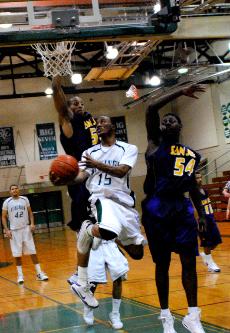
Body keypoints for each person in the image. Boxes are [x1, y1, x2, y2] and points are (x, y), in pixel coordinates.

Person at [61, 115, 146, 309]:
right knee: (107, 230)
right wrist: (65, 178)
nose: (99, 125)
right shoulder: (89, 152)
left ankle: (93, 231)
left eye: (102, 122)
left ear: (112, 126)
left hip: (125, 204)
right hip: (101, 198)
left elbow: (122, 171)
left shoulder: (128, 148)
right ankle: (87, 234)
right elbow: (81, 176)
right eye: (96, 123)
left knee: (137, 253)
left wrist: (97, 164)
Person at [141, 85, 207, 333]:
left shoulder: (192, 155)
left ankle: (192, 316)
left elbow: (192, 186)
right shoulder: (154, 144)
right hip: (157, 206)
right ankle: (166, 315)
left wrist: (201, 214)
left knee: (189, 261)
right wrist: (180, 92)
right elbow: (150, 108)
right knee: (163, 264)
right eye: (164, 120)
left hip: (182, 208)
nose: (167, 122)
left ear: (180, 127)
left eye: (172, 120)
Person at [52, 76, 98, 284]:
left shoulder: (90, 119)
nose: (79, 105)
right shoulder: (69, 122)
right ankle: (81, 273)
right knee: (86, 227)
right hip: (81, 171)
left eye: (81, 102)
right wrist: (56, 87)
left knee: (99, 228)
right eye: (74, 103)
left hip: (97, 168)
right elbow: (62, 108)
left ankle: (87, 271)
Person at [2, 184, 48, 284]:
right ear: (10, 191)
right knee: (17, 254)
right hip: (14, 231)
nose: (14, 190)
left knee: (33, 252)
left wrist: (32, 223)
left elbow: (30, 213)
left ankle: (39, 273)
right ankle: (20, 275)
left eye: (16, 188)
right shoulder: (7, 202)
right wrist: (6, 230)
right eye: (12, 189)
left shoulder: (24, 199)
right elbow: (3, 217)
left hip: (26, 229)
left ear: (18, 190)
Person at [81, 238, 128, 329]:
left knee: (118, 278)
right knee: (93, 281)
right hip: (94, 246)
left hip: (110, 244)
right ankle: (88, 306)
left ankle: (115, 314)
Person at [195, 172, 222, 272]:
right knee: (206, 242)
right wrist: (198, 221)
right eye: (197, 178)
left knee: (216, 240)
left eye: (200, 177)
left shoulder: (204, 189)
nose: (200, 179)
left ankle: (206, 256)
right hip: (202, 220)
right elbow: (194, 207)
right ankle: (210, 264)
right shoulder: (193, 192)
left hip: (210, 217)